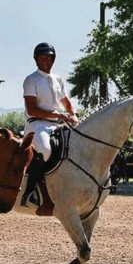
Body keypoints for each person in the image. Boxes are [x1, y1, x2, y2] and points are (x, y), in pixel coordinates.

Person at [21, 42, 79, 215]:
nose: (46, 61)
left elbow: (66, 102)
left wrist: (73, 114)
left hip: (56, 125)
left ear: (53, 59)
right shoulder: (31, 80)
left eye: (49, 58)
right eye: (42, 58)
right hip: (36, 125)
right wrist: (59, 115)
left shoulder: (57, 79)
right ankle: (31, 193)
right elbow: (32, 109)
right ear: (36, 59)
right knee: (45, 150)